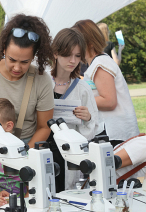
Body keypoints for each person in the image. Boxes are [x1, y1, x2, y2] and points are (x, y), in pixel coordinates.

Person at [0, 14, 54, 148]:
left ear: (34, 56)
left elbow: (44, 127)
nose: (17, 67)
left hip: (25, 144)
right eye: (12, 59)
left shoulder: (42, 79)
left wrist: (24, 154)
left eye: (24, 62)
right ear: (3, 49)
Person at [47, 28, 99, 191]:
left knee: (67, 195)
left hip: (69, 154)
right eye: (67, 54)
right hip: (43, 147)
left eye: (77, 56)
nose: (72, 60)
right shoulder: (43, 82)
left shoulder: (82, 88)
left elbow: (92, 129)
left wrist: (88, 118)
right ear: (55, 53)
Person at [73, 20, 139, 147]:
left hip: (116, 133)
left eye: (76, 42)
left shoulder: (100, 63)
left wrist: (79, 100)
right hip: (112, 130)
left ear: (89, 43)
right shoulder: (97, 63)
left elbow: (109, 101)